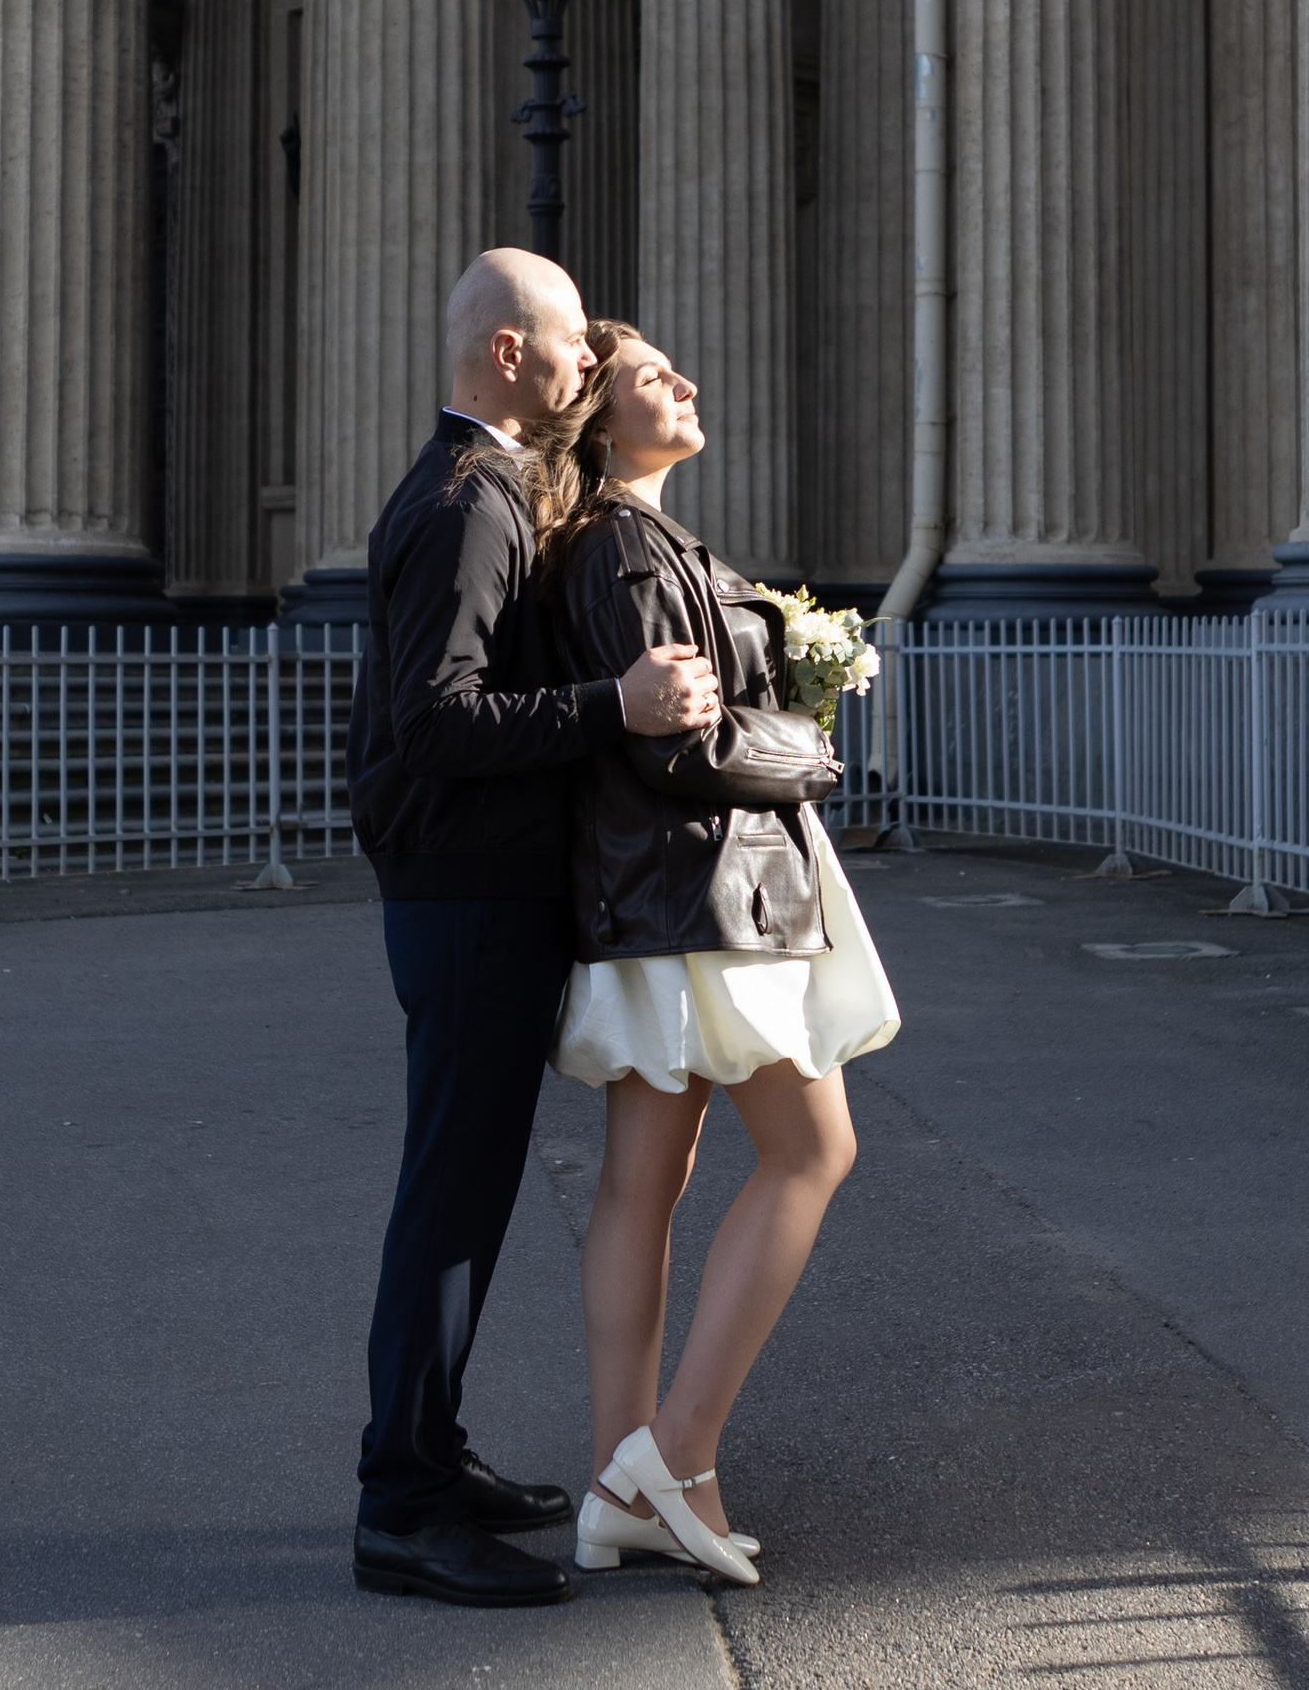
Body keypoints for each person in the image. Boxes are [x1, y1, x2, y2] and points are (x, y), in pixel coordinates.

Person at [349, 252, 724, 1610]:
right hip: (463, 894)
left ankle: (429, 1459)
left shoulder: (485, 489)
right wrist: (610, 705)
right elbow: (432, 722)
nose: (585, 366)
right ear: (509, 352)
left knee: (467, 1191)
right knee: (448, 1200)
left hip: (471, 888)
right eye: (571, 346)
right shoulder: (469, 500)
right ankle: (399, 1505)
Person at [513, 320, 900, 1585]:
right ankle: (669, 1456)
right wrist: (812, 749)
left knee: (646, 1178)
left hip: (661, 897)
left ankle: (631, 1479)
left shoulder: (628, 539)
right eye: (647, 377)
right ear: (603, 423)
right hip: (702, 894)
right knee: (811, 1148)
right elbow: (680, 744)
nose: (682, 380)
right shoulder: (628, 544)